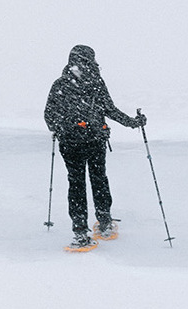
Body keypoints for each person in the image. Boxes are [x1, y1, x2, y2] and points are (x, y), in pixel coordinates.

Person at [43, 45, 144, 248]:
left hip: (74, 143)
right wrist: (133, 122)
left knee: (78, 183)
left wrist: (61, 128)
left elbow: (49, 115)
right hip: (90, 141)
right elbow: (110, 110)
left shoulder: (61, 84)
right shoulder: (93, 83)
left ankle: (81, 229)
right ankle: (103, 221)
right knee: (97, 180)